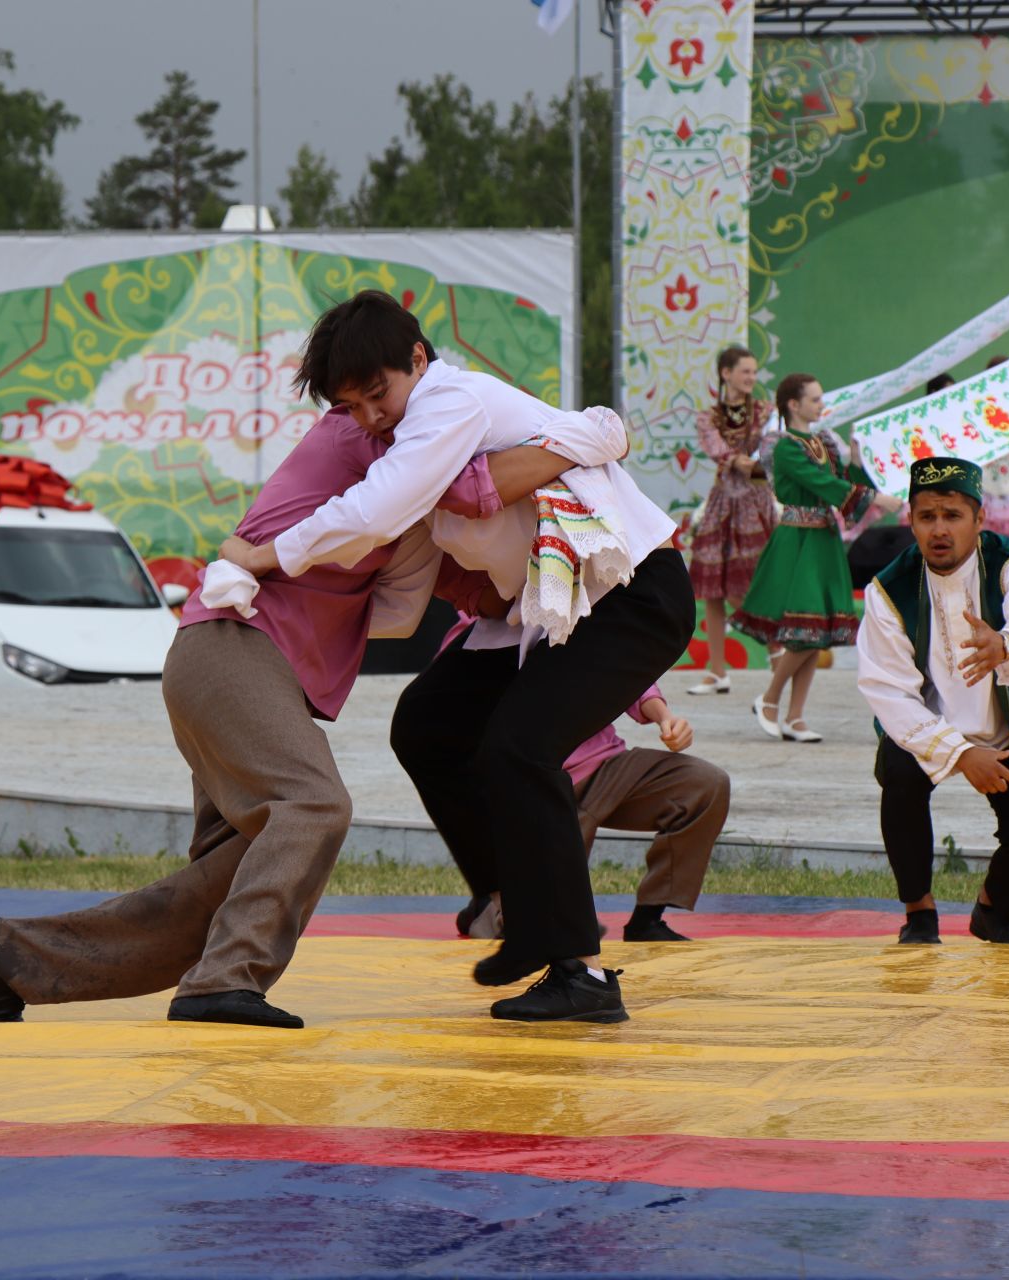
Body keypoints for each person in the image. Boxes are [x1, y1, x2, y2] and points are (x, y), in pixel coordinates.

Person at [0, 406, 582, 1029]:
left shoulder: (399, 495)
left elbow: (455, 577)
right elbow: (462, 487)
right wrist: (585, 441)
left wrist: (525, 582)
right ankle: (225, 981)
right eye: (361, 393)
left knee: (222, 888)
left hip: (228, 664)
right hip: (235, 653)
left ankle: (16, 956)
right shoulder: (363, 439)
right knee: (312, 806)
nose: (374, 407)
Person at [218, 290, 690, 1025]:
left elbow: (375, 509)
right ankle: (516, 910)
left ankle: (581, 972)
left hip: (631, 593)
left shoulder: (449, 401)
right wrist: (295, 617)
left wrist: (264, 555)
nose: (374, 417)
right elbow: (401, 593)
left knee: (521, 749)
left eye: (379, 394)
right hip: (546, 612)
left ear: (417, 359)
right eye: (353, 407)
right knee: (428, 723)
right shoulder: (415, 451)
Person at [857, 456, 1009, 947]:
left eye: (952, 515)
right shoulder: (888, 590)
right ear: (911, 521)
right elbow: (887, 689)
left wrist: (1008, 642)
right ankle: (920, 915)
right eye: (927, 517)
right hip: (926, 731)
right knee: (900, 774)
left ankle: (993, 912)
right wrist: (960, 753)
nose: (939, 530)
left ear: (980, 519)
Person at [442, 613, 728, 945]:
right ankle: (489, 906)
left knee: (704, 785)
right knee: (531, 933)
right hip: (534, 785)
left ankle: (648, 919)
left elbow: (628, 668)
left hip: (607, 768)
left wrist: (666, 718)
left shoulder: (578, 608)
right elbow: (446, 714)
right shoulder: (474, 631)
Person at [732, 373, 876, 744]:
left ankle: (795, 716)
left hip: (823, 540)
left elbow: (843, 479)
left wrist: (857, 462)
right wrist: (871, 499)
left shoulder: (824, 441)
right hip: (798, 541)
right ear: (793, 405)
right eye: (813, 399)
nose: (820, 405)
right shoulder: (784, 447)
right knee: (806, 630)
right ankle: (769, 699)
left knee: (817, 631)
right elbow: (823, 485)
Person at [686, 346, 776, 695]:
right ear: (726, 373)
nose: (751, 378)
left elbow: (768, 454)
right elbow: (719, 451)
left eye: (754, 372)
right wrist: (739, 460)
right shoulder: (708, 417)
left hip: (755, 504)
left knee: (746, 586)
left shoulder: (765, 413)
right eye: (745, 372)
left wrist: (748, 462)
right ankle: (718, 670)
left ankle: (775, 648)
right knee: (714, 588)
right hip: (723, 503)